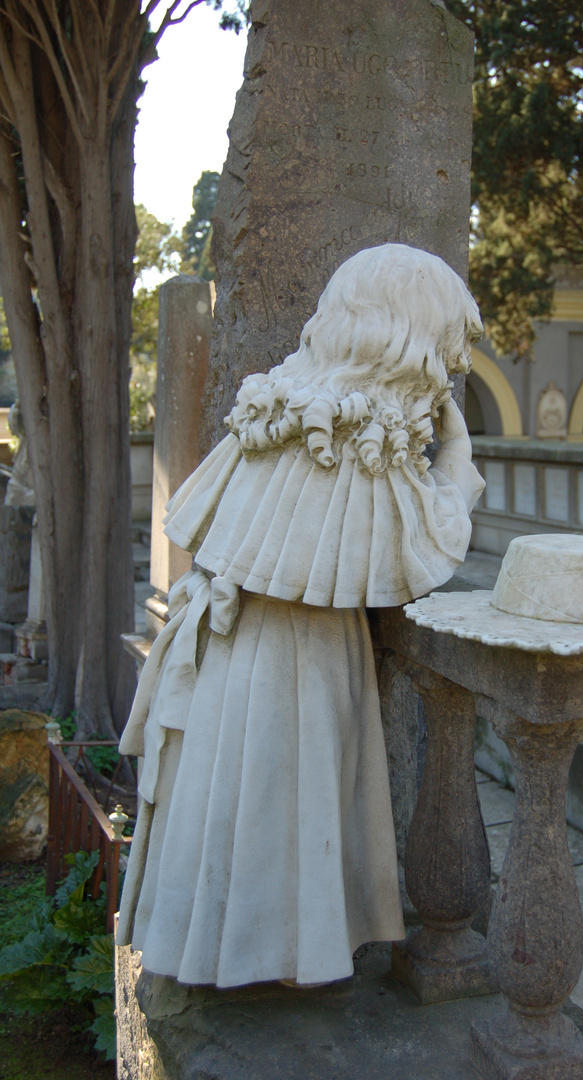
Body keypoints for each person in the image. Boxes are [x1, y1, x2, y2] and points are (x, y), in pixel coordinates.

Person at [116, 243, 486, 988]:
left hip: (237, 652)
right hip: (298, 659)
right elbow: (425, 547)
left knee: (238, 804)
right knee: (283, 807)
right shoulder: (355, 438)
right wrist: (458, 456)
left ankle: (225, 951)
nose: (449, 368)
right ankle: (280, 960)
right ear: (408, 339)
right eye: (445, 349)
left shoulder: (279, 406)